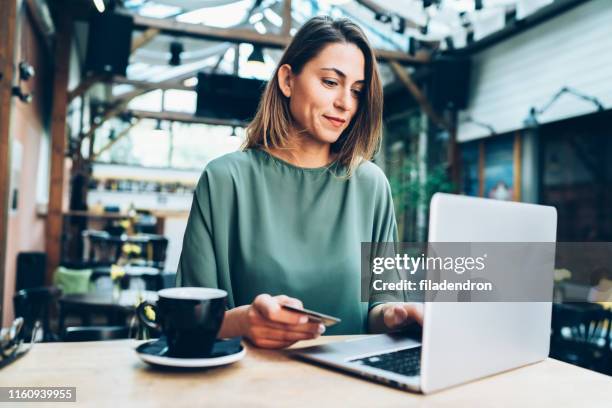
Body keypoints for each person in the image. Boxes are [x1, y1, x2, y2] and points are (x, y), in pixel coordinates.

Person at [177, 16, 422, 349]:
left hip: (351, 389)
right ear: (288, 80)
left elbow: (382, 302)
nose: (345, 103)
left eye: (357, 91)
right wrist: (241, 322)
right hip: (247, 389)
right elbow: (187, 320)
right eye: (330, 82)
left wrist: (397, 314)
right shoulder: (224, 180)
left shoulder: (370, 185)